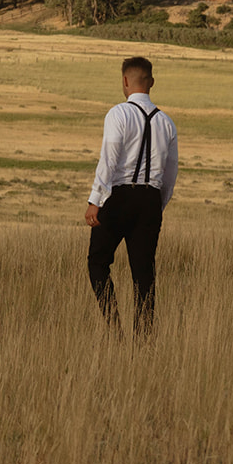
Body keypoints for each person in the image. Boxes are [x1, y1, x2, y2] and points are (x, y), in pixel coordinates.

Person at [85, 56, 178, 334]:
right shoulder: (167, 122)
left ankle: (115, 328)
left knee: (98, 262)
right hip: (150, 200)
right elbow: (170, 174)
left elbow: (109, 159)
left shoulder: (118, 114)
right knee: (144, 275)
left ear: (125, 82)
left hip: (119, 197)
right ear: (151, 82)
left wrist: (95, 199)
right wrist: (157, 205)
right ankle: (144, 340)